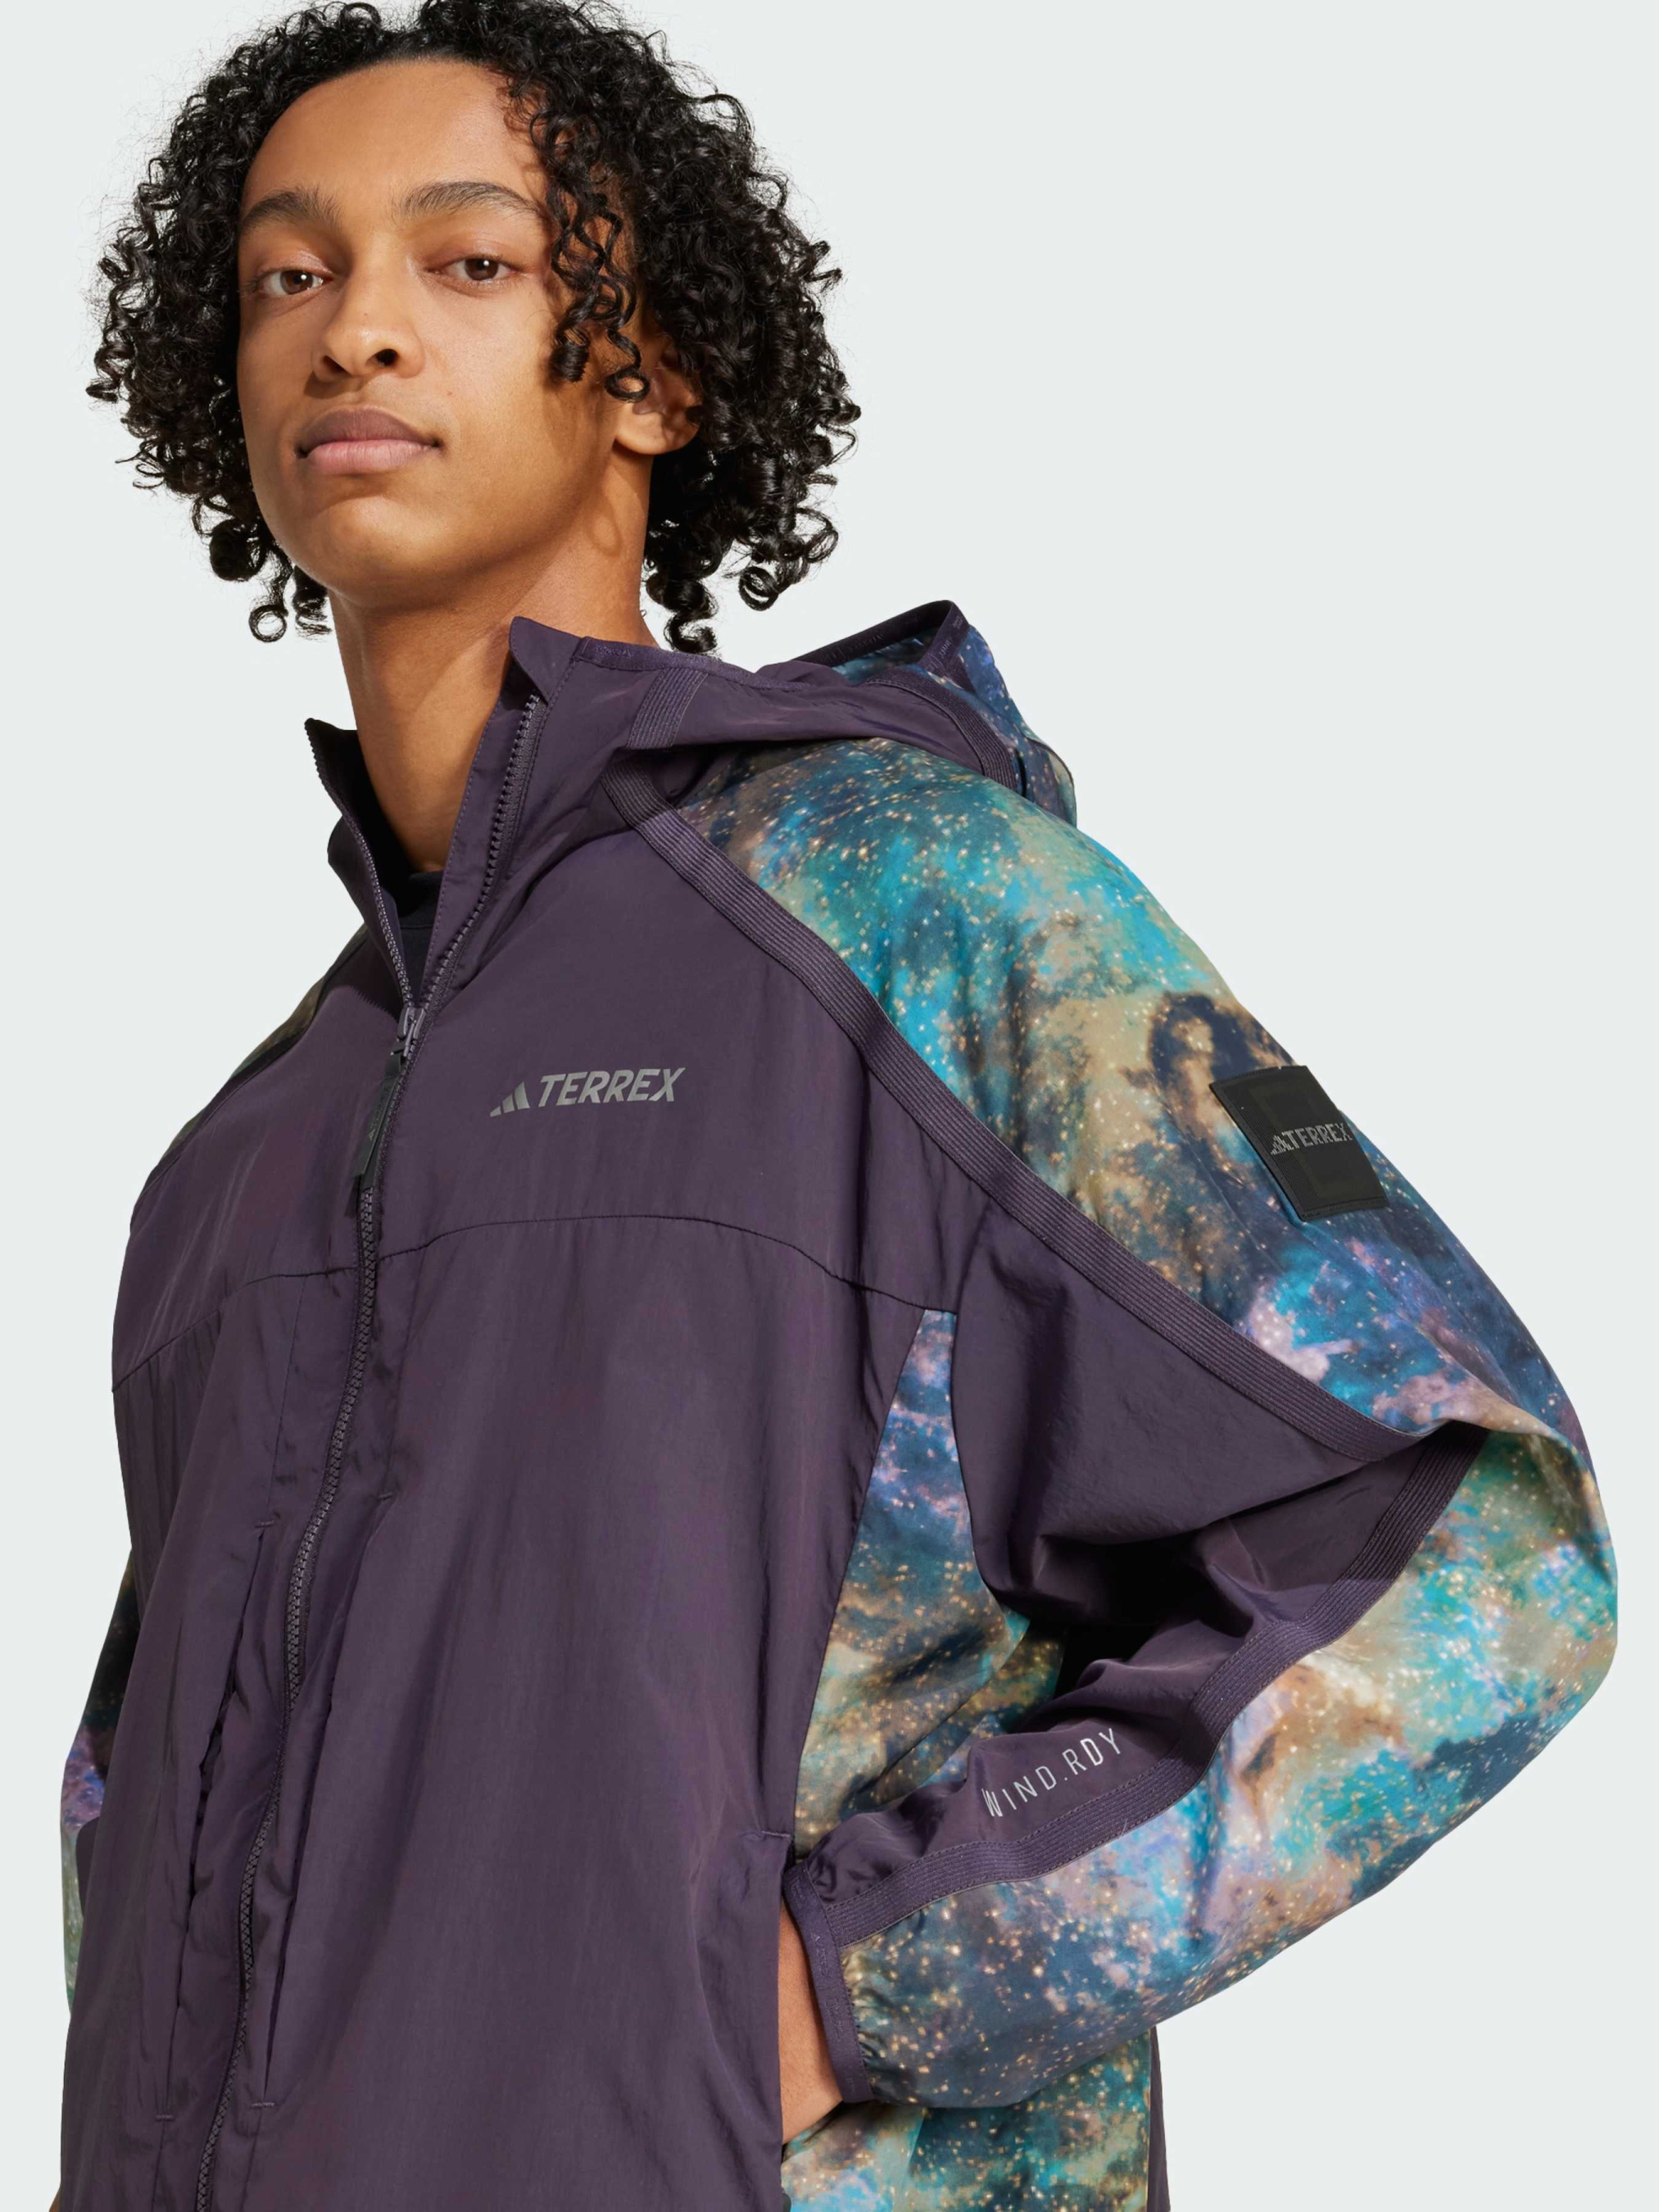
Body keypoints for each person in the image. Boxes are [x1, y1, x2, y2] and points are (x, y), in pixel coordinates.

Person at [54, 4, 1616, 2208]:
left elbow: (1474, 1548)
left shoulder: (918, 914)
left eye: (469, 261)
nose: (354, 329)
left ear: (653, 375)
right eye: (284, 275)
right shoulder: (247, 1152)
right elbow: (151, 1801)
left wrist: (864, 1974)